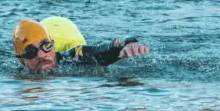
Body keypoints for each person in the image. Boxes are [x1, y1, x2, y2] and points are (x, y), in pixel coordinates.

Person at [12, 17, 149, 74]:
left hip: (68, 35)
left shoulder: (73, 58)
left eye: (46, 46)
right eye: (31, 52)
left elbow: (100, 50)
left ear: (52, 45)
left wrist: (127, 43)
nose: (41, 55)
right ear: (21, 59)